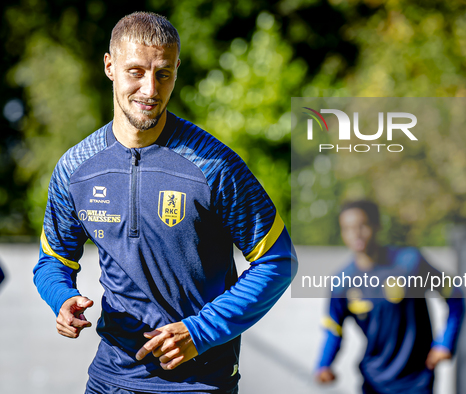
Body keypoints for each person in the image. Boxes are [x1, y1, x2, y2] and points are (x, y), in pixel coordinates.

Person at [33, 11, 297, 394]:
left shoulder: (214, 165)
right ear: (110, 66)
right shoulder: (76, 167)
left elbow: (278, 260)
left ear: (177, 70)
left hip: (201, 382)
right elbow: (53, 259)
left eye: (163, 74)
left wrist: (200, 331)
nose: (150, 90)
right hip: (111, 377)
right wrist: (62, 298)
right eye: (136, 72)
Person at [315, 200, 464, 394]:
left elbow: (455, 296)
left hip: (416, 380)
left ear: (377, 226)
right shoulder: (342, 282)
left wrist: (444, 344)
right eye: (348, 228)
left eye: (363, 226)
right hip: (373, 381)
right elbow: (333, 328)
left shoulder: (410, 263)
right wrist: (323, 365)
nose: (356, 234)